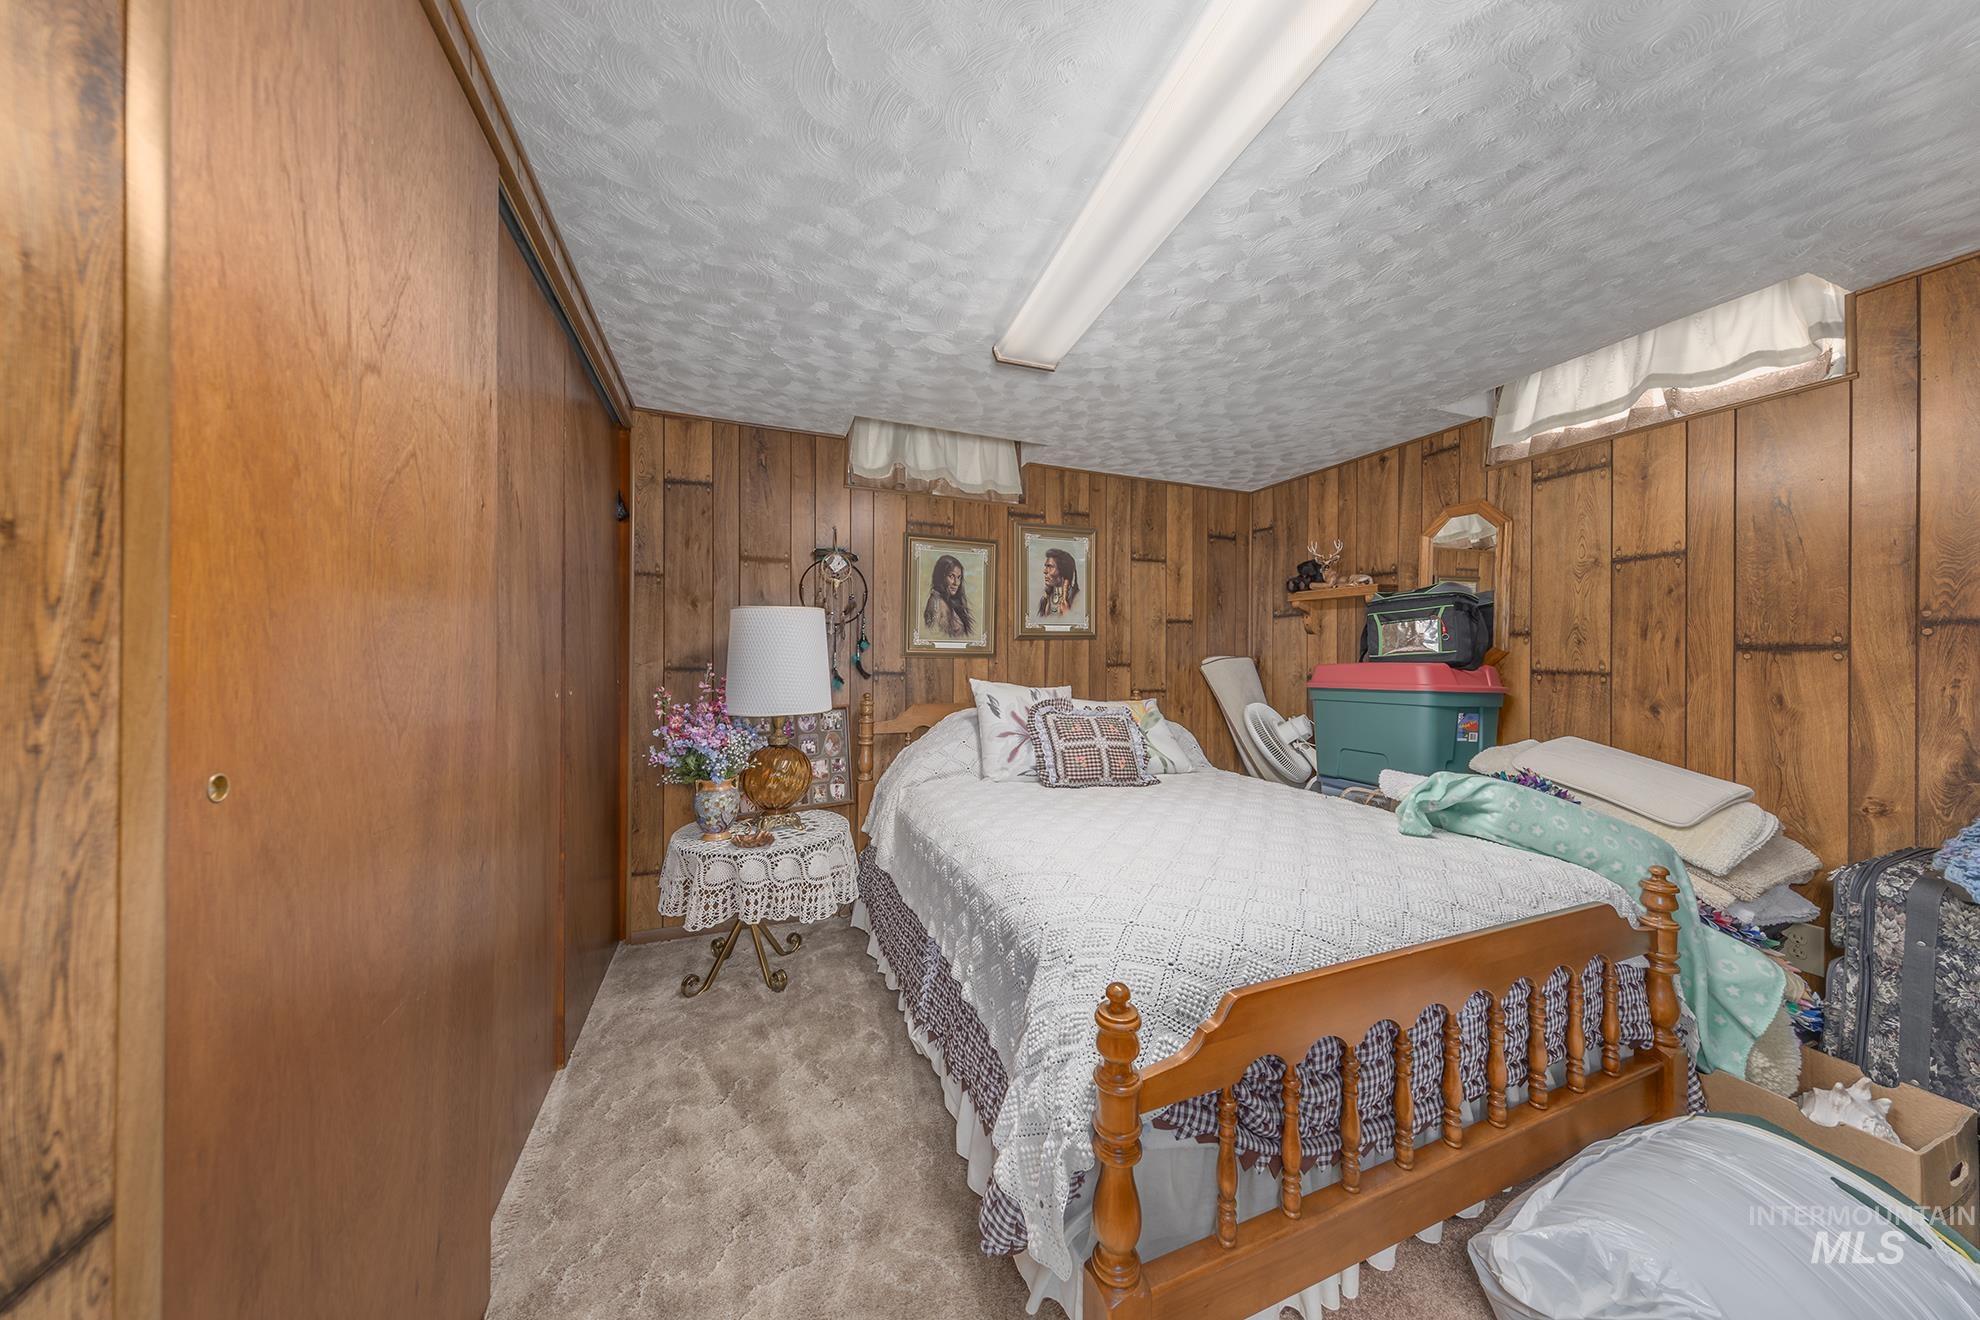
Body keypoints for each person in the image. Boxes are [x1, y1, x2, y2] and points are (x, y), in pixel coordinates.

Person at [922, 553, 974, 638]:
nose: (956, 583)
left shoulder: (949, 601)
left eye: (959, 577)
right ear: (941, 577)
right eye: (951, 576)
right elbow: (934, 637)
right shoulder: (936, 604)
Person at [1036, 547, 1080, 619]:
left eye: (1050, 567)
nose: (1045, 571)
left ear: (1063, 571)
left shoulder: (1077, 598)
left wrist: (1067, 614)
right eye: (1046, 566)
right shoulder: (1045, 599)